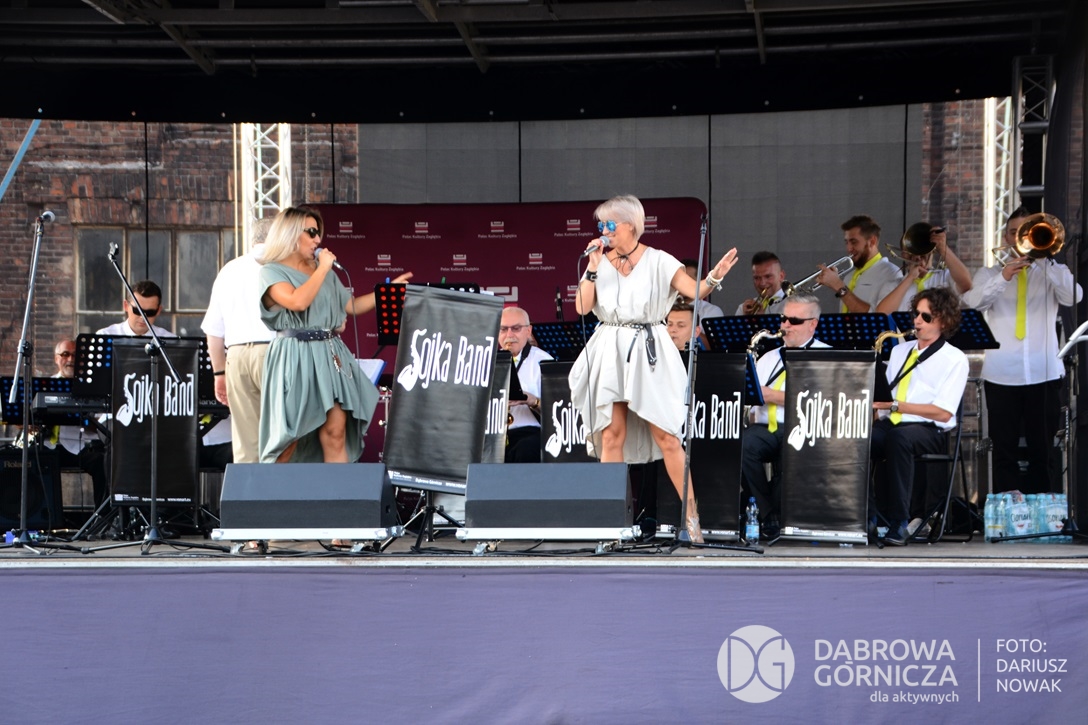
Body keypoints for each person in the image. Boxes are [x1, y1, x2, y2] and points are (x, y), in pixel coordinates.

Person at [569, 195, 739, 543]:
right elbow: (582, 308)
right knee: (611, 435)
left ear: (631, 225)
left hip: (648, 348)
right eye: (601, 225)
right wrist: (593, 267)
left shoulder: (660, 260)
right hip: (611, 347)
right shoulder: (599, 262)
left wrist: (715, 276)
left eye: (610, 224)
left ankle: (692, 520)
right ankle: (612, 525)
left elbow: (695, 290)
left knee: (668, 437)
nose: (604, 230)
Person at [257, 205, 392, 464]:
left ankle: (337, 489)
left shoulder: (323, 271)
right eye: (311, 232)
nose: (318, 239)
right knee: (289, 438)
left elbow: (350, 305)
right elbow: (297, 301)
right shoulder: (272, 271)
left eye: (318, 232)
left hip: (330, 355)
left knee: (335, 431)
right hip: (295, 355)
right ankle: (275, 489)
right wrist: (322, 269)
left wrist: (385, 294)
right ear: (290, 233)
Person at [961, 206, 1082, 494]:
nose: (1022, 238)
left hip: (1044, 373)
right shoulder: (990, 273)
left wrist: (1046, 261)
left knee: (1044, 451)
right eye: (1015, 232)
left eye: (1027, 232)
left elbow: (1074, 296)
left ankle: (1044, 510)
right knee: (1004, 451)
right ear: (1006, 237)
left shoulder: (1051, 271)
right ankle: (1007, 511)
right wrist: (1003, 277)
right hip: (1001, 375)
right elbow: (973, 302)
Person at [870, 288, 968, 546]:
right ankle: (866, 517)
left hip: (930, 430)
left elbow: (943, 412)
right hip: (893, 423)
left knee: (899, 439)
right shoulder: (900, 351)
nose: (917, 321)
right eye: (916, 314)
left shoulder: (955, 358)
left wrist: (895, 407)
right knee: (860, 439)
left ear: (943, 321)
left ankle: (900, 522)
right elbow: (886, 397)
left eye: (926, 316)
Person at [741, 294, 829, 540]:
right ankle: (767, 513)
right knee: (742, 445)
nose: (785, 325)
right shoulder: (768, 357)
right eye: (783, 319)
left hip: (804, 427)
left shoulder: (826, 355)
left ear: (812, 324)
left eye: (794, 321)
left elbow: (822, 400)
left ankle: (776, 514)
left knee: (792, 451)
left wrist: (773, 395)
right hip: (765, 427)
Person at [201, 218, 277, 465]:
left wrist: (219, 373)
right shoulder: (283, 266)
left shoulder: (229, 270)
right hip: (275, 352)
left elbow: (213, 331)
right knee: (280, 436)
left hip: (236, 357)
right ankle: (279, 489)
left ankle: (248, 490)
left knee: (245, 442)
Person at [42, 339, 109, 508]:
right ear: (56, 358)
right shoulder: (44, 386)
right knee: (27, 460)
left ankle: (103, 517)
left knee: (102, 462)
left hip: (79, 447)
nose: (71, 359)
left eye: (75, 355)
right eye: (65, 354)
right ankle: (42, 517)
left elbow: (101, 424)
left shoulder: (91, 388)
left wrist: (84, 418)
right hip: (48, 446)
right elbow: (24, 419)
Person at [875, 224, 972, 314]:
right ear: (904, 255)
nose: (918, 256)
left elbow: (966, 284)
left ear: (932, 250)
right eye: (911, 252)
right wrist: (910, 278)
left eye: (922, 250)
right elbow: (882, 313)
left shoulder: (945, 276)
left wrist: (943, 248)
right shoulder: (892, 286)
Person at [499, 306, 554, 463]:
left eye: (516, 328)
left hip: (529, 433)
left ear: (528, 331)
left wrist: (532, 401)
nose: (509, 335)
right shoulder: (485, 361)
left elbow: (558, 414)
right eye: (503, 329)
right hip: (493, 434)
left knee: (527, 448)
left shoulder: (544, 361)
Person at [816, 214, 902, 313]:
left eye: (854, 242)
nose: (849, 248)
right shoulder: (849, 276)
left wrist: (838, 285)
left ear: (872, 241)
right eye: (846, 242)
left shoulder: (891, 274)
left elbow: (879, 317)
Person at [96, 280, 174, 337]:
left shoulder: (170, 340)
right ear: (126, 306)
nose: (143, 317)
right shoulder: (105, 335)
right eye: (137, 311)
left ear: (158, 311)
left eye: (150, 312)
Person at [735, 251, 788, 315]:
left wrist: (760, 319)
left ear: (781, 276)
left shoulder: (794, 305)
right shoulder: (743, 309)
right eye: (757, 278)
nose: (762, 283)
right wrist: (746, 318)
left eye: (768, 276)